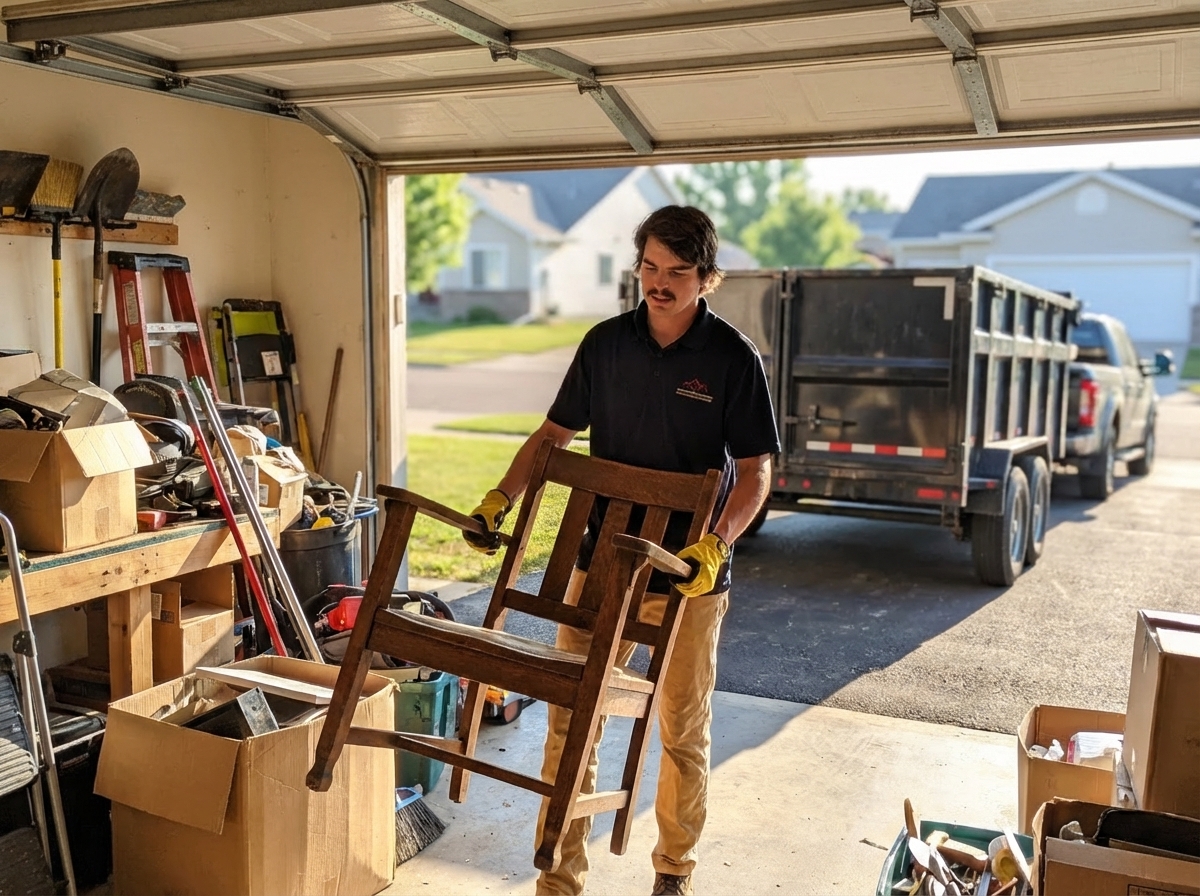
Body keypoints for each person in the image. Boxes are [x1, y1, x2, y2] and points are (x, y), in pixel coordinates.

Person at [463, 205, 780, 896]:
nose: (659, 284)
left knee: (681, 728)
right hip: (603, 563)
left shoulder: (732, 359)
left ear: (708, 278)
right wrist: (500, 498)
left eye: (677, 272)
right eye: (650, 268)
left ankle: (673, 871)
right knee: (571, 718)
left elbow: (756, 471)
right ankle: (559, 875)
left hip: (688, 576)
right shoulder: (605, 344)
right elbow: (553, 436)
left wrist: (715, 548)